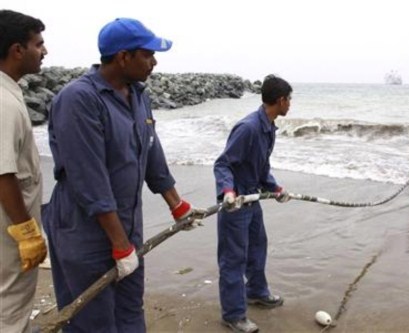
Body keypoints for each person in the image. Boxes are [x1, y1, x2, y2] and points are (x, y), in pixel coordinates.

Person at [42, 18, 204, 332]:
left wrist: (177, 204)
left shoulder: (138, 95)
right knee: (92, 320)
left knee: (130, 309)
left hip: (127, 225)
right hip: (84, 231)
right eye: (148, 54)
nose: (154, 62)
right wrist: (118, 243)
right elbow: (89, 179)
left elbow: (152, 153)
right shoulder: (79, 99)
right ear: (123, 57)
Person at [213, 75, 292, 333]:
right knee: (233, 259)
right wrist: (227, 192)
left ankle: (256, 292)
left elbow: (259, 168)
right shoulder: (248, 128)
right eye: (289, 99)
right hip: (235, 203)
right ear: (280, 101)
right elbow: (223, 164)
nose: (290, 104)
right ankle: (233, 315)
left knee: (258, 247)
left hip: (253, 199)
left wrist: (275, 188)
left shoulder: (268, 128)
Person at [0, 10, 48, 333]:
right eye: (38, 44)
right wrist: (27, 233)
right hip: (9, 233)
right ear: (18, 50)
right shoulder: (3, 103)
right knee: (10, 310)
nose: (44, 51)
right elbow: (3, 174)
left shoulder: (10, 92)